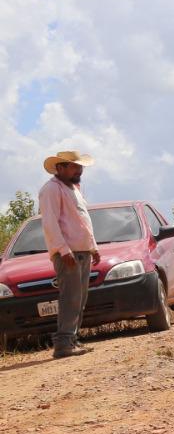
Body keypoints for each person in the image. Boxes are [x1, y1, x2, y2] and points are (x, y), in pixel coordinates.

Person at [38, 150, 100, 359]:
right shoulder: (51, 189)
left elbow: (81, 221)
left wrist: (93, 247)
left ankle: (72, 340)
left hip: (82, 251)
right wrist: (63, 250)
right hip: (69, 253)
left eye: (80, 166)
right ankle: (64, 344)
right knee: (70, 297)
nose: (79, 170)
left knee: (79, 298)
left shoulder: (73, 188)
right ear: (60, 168)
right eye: (74, 166)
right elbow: (50, 223)